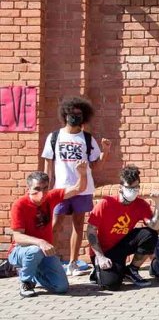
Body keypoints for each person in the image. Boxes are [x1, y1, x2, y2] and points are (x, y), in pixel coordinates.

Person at [41, 96, 111, 277]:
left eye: (79, 114)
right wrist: (46, 189)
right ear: (65, 114)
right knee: (55, 225)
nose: (75, 116)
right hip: (60, 189)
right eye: (72, 113)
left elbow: (97, 166)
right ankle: (51, 261)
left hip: (83, 188)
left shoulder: (87, 139)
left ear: (84, 116)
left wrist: (106, 151)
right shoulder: (54, 137)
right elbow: (48, 165)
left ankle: (72, 263)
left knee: (78, 225)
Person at [9, 162, 88, 297]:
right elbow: (18, 237)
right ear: (28, 189)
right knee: (35, 250)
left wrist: (82, 173)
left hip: (44, 252)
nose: (41, 193)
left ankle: (34, 272)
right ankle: (26, 282)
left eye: (45, 188)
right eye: (37, 189)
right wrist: (40, 242)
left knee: (61, 287)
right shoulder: (20, 205)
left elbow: (78, 189)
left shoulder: (50, 197)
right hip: (20, 251)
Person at [86, 165, 159, 290]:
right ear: (121, 188)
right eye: (129, 187)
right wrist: (100, 256)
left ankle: (132, 270)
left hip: (122, 245)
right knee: (112, 285)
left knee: (150, 234)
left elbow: (155, 226)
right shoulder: (106, 204)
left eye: (136, 187)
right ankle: (98, 270)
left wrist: (158, 204)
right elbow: (90, 230)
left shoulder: (141, 205)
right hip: (104, 251)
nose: (133, 190)